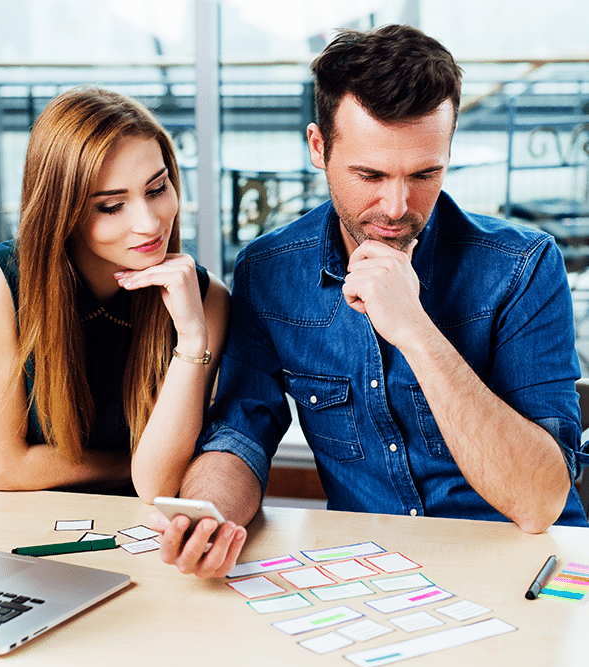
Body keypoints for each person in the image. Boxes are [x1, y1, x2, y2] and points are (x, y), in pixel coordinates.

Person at [149, 24, 589, 577]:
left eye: (425, 173)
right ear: (318, 148)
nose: (397, 206)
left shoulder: (522, 267)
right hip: (378, 575)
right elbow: (239, 433)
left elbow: (540, 502)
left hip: (530, 569)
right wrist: (212, 515)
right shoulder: (270, 271)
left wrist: (415, 329)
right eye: (370, 175)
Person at [0, 86, 229, 500]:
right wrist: (133, 464)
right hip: (2, 535)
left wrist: (191, 338)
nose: (150, 222)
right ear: (61, 211)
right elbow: (5, 468)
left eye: (156, 189)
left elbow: (159, 485)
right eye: (111, 206)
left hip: (133, 533)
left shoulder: (204, 299)